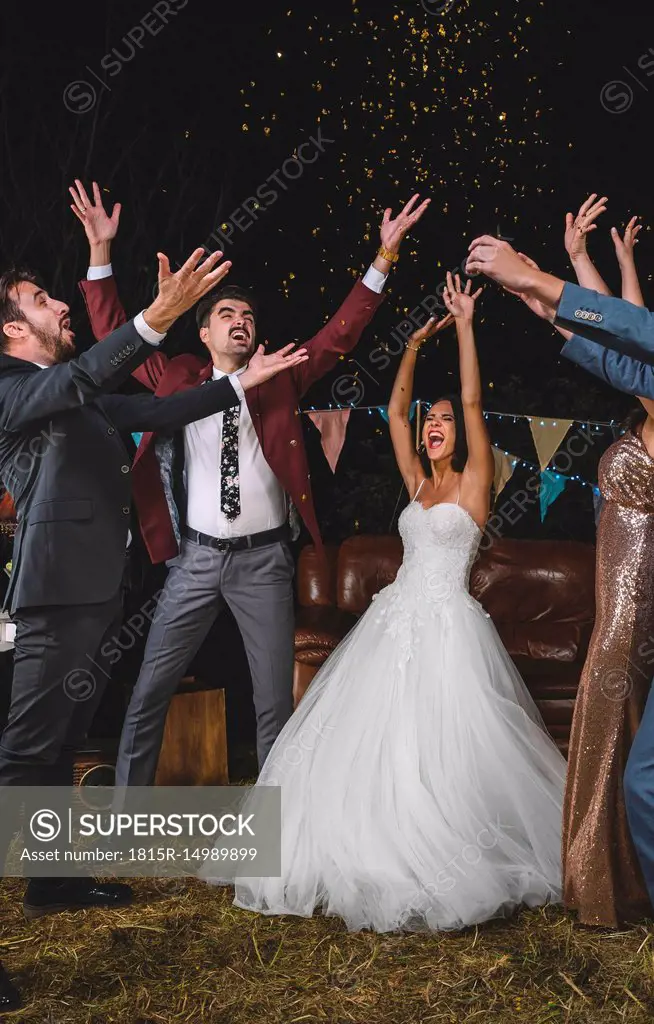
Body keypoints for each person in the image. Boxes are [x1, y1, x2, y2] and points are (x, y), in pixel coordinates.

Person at [201, 273, 567, 933]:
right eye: (433, 420)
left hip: (448, 626)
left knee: (437, 750)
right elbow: (395, 412)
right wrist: (410, 348)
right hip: (391, 620)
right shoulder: (417, 483)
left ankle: (445, 851)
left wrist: (461, 325)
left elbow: (476, 398)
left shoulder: (474, 484)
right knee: (349, 743)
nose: (433, 427)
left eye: (444, 422)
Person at [0, 247, 307, 1011]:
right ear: (11, 328)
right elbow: (77, 376)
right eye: (44, 299)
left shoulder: (76, 397)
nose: (61, 306)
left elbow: (161, 410)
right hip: (54, 597)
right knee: (23, 759)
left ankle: (54, 884)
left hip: (98, 595)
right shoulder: (15, 387)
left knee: (59, 751)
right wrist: (155, 318)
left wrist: (240, 382)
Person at [70, 179, 429, 777]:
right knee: (148, 692)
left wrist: (383, 258)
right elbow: (114, 338)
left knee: (273, 705)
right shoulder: (179, 376)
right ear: (205, 333)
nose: (240, 321)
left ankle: (275, 840)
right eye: (225, 314)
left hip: (265, 563)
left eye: (247, 316)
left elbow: (339, 336)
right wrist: (100, 253)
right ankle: (125, 819)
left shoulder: (283, 375)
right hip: (195, 560)